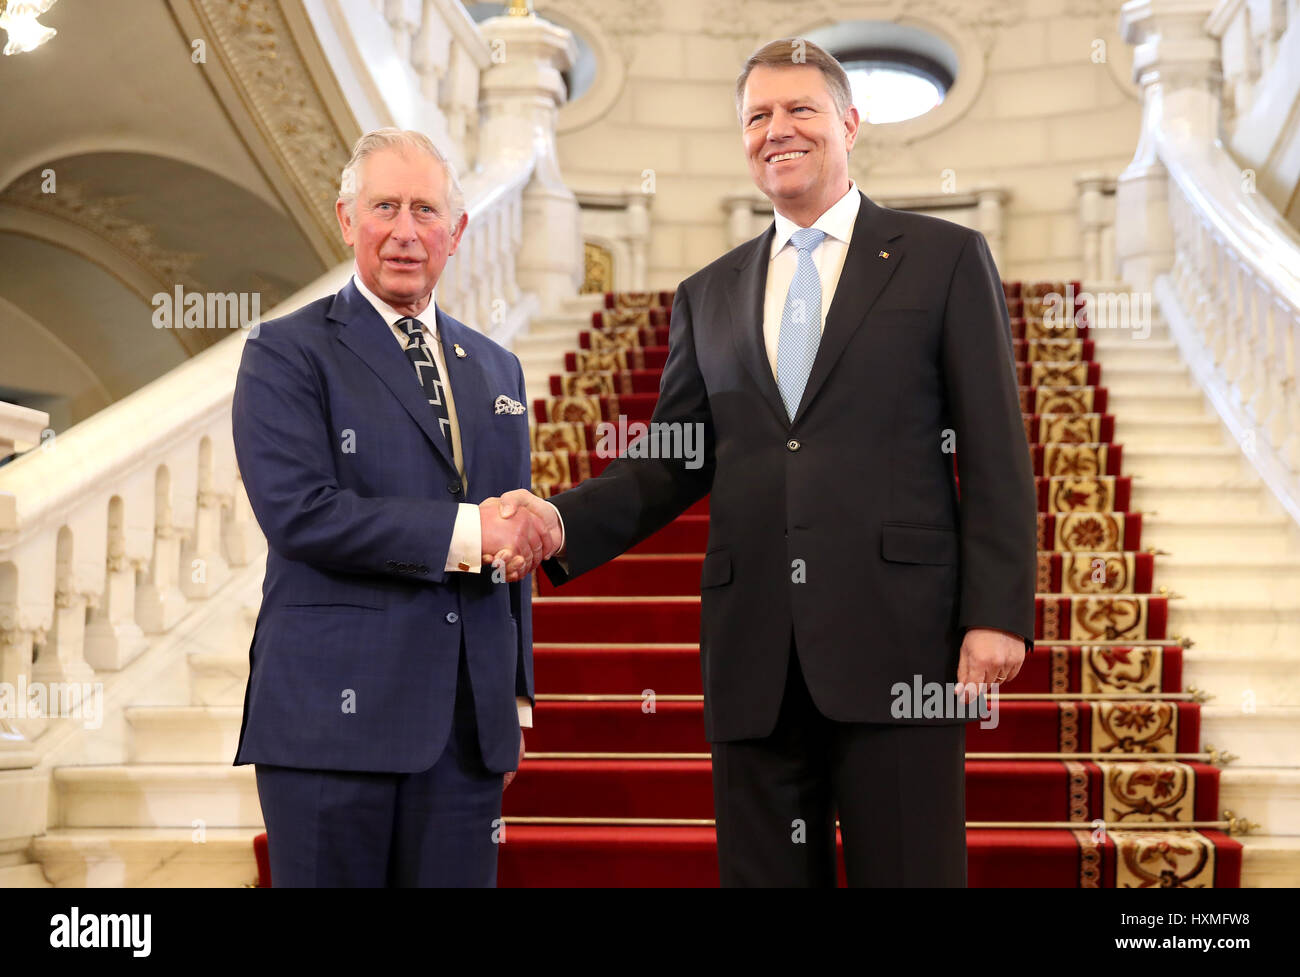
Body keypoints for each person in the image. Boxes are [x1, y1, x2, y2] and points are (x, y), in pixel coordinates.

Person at [494, 39, 1037, 886]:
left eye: (799, 110)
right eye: (757, 116)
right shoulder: (707, 293)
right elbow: (674, 461)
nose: (776, 130)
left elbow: (996, 447)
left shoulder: (943, 258)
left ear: (849, 124)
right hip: (754, 658)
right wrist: (562, 517)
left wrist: (996, 609)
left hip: (901, 646)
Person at [231, 128, 555, 886]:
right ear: (347, 220)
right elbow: (300, 512)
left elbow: (509, 549)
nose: (406, 232)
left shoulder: (496, 366)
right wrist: (470, 529)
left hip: (464, 733)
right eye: (385, 207)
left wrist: (512, 699)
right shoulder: (285, 351)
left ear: (458, 232)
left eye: (425, 210)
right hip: (328, 728)